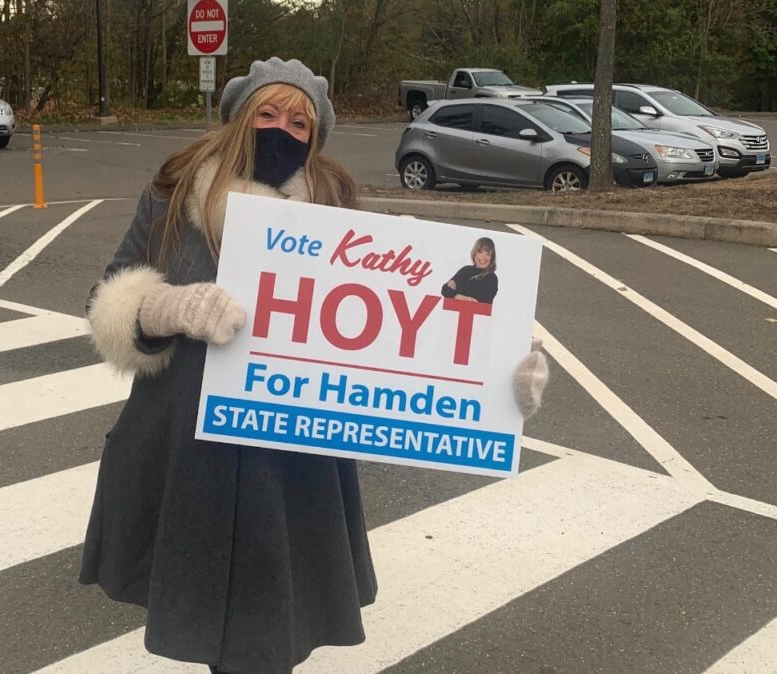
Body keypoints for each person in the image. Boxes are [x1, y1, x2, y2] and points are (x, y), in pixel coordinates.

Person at [78, 58, 549, 674]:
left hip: (291, 460)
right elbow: (106, 299)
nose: (281, 130)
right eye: (267, 114)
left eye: (299, 122)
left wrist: (499, 374)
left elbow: (410, 316)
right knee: (209, 620)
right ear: (240, 117)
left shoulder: (333, 202)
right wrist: (166, 307)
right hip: (188, 443)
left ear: (315, 134)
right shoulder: (173, 191)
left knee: (270, 634)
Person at [442, 237, 499, 304]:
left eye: (488, 254)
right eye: (480, 252)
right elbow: (445, 290)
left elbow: (479, 301)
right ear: (474, 253)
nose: (483, 257)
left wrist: (455, 294)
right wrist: (462, 297)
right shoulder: (465, 270)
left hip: (476, 314)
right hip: (455, 313)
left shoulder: (491, 278)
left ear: (492, 258)